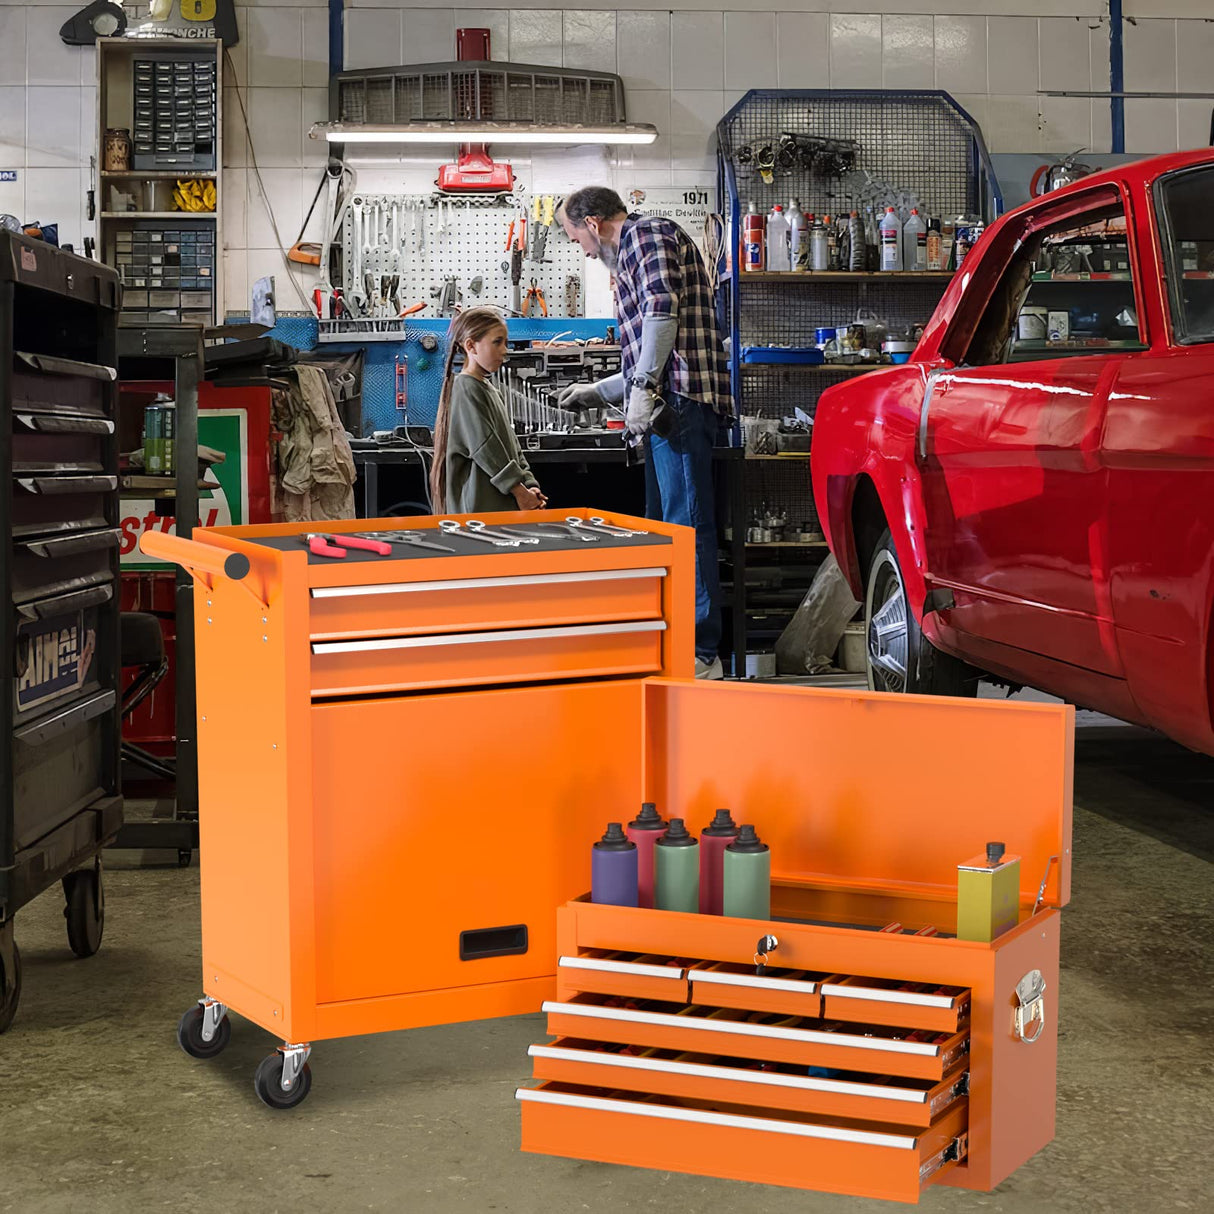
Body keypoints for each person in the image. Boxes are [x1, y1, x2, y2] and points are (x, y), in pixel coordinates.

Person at [558, 187, 731, 679]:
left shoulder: (644, 234)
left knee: (686, 523)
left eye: (577, 240)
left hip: (678, 402)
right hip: (663, 402)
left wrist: (640, 389)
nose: (585, 253)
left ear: (593, 223)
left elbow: (661, 316)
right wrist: (601, 390)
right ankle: (677, 639)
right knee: (664, 525)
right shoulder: (636, 250)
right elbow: (647, 351)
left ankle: (702, 653)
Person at [431, 307, 547, 515]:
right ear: (470, 346)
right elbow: (486, 449)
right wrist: (520, 492)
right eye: (497, 342)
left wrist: (530, 484)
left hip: (497, 509)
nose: (504, 350)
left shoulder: (488, 388)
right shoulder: (466, 388)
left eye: (505, 342)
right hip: (478, 513)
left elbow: (511, 446)